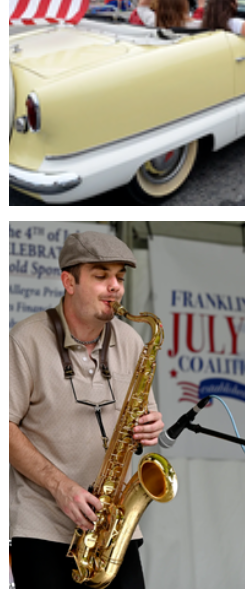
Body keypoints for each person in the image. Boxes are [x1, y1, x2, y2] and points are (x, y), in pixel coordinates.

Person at [9, 232, 165, 588]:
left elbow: (144, 423)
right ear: (69, 282)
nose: (115, 288)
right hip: (42, 529)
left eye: (120, 278)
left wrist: (150, 427)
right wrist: (62, 487)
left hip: (112, 532)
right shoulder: (24, 340)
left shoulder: (131, 340)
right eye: (101, 276)